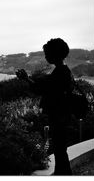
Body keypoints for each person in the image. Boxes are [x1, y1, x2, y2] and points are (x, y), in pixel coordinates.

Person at [16, 38, 74, 175]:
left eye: (48, 53)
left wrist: (26, 79)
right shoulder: (64, 71)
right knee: (61, 152)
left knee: (60, 152)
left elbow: (41, 88)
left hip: (59, 117)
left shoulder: (60, 73)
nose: (46, 56)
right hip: (63, 116)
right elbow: (45, 86)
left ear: (55, 54)